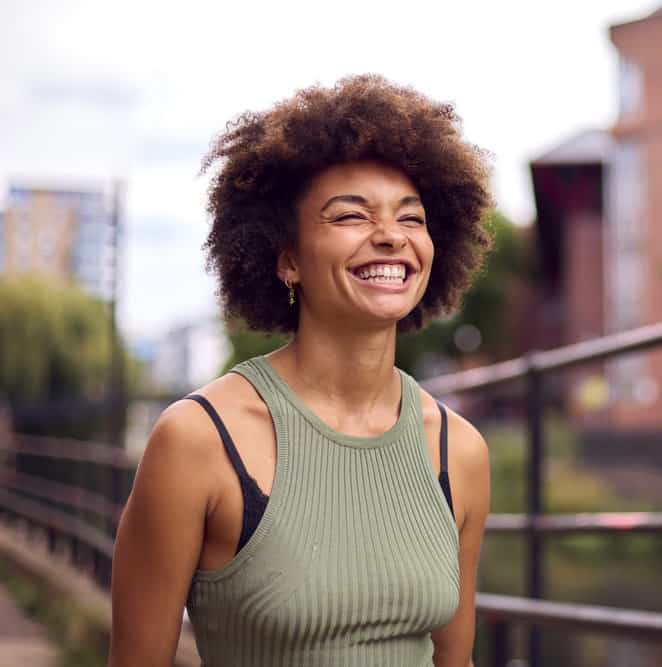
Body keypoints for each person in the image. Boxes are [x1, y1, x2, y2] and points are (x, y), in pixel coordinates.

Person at [110, 74, 493, 667]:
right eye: (350, 217)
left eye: (411, 219)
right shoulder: (198, 440)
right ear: (287, 258)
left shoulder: (457, 450)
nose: (391, 237)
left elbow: (456, 662)